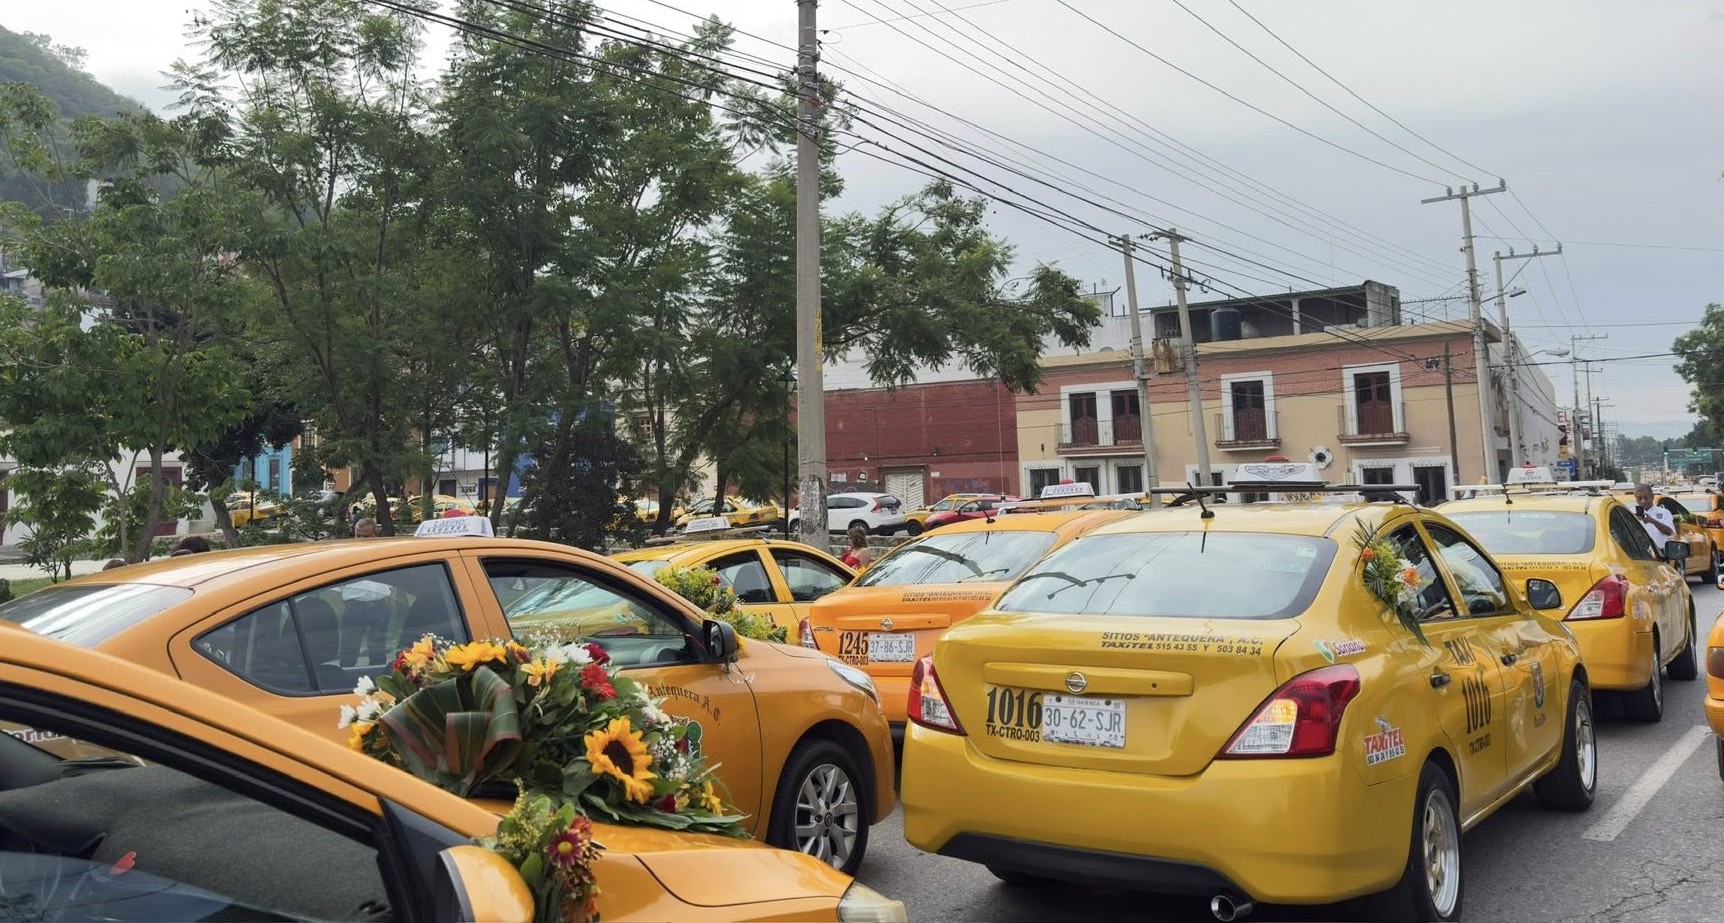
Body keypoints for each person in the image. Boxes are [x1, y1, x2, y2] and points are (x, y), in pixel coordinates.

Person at [1633, 484, 1676, 557]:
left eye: (1646, 497)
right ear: (1635, 498)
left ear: (1652, 497)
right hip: (1639, 555)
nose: (1643, 501)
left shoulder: (1664, 512)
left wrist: (1653, 521)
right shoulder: (1630, 513)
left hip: (1660, 553)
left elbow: (1670, 532)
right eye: (1639, 498)